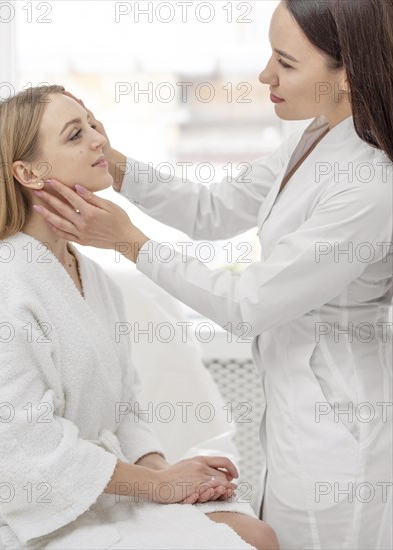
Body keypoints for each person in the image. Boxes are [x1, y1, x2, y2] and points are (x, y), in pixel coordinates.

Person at [32, 1, 393, 549]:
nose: (265, 75)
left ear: (348, 74)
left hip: (339, 431)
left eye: (286, 63)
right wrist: (110, 160)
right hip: (296, 412)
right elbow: (213, 209)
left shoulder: (372, 183)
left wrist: (128, 241)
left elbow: (248, 304)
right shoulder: (318, 134)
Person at [0, 85, 278, 550]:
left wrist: (166, 474)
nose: (100, 140)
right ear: (27, 172)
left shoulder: (92, 276)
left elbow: (126, 407)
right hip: (35, 516)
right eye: (76, 134)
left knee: (257, 532)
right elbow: (21, 452)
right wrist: (157, 485)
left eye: (94, 125)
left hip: (107, 492)